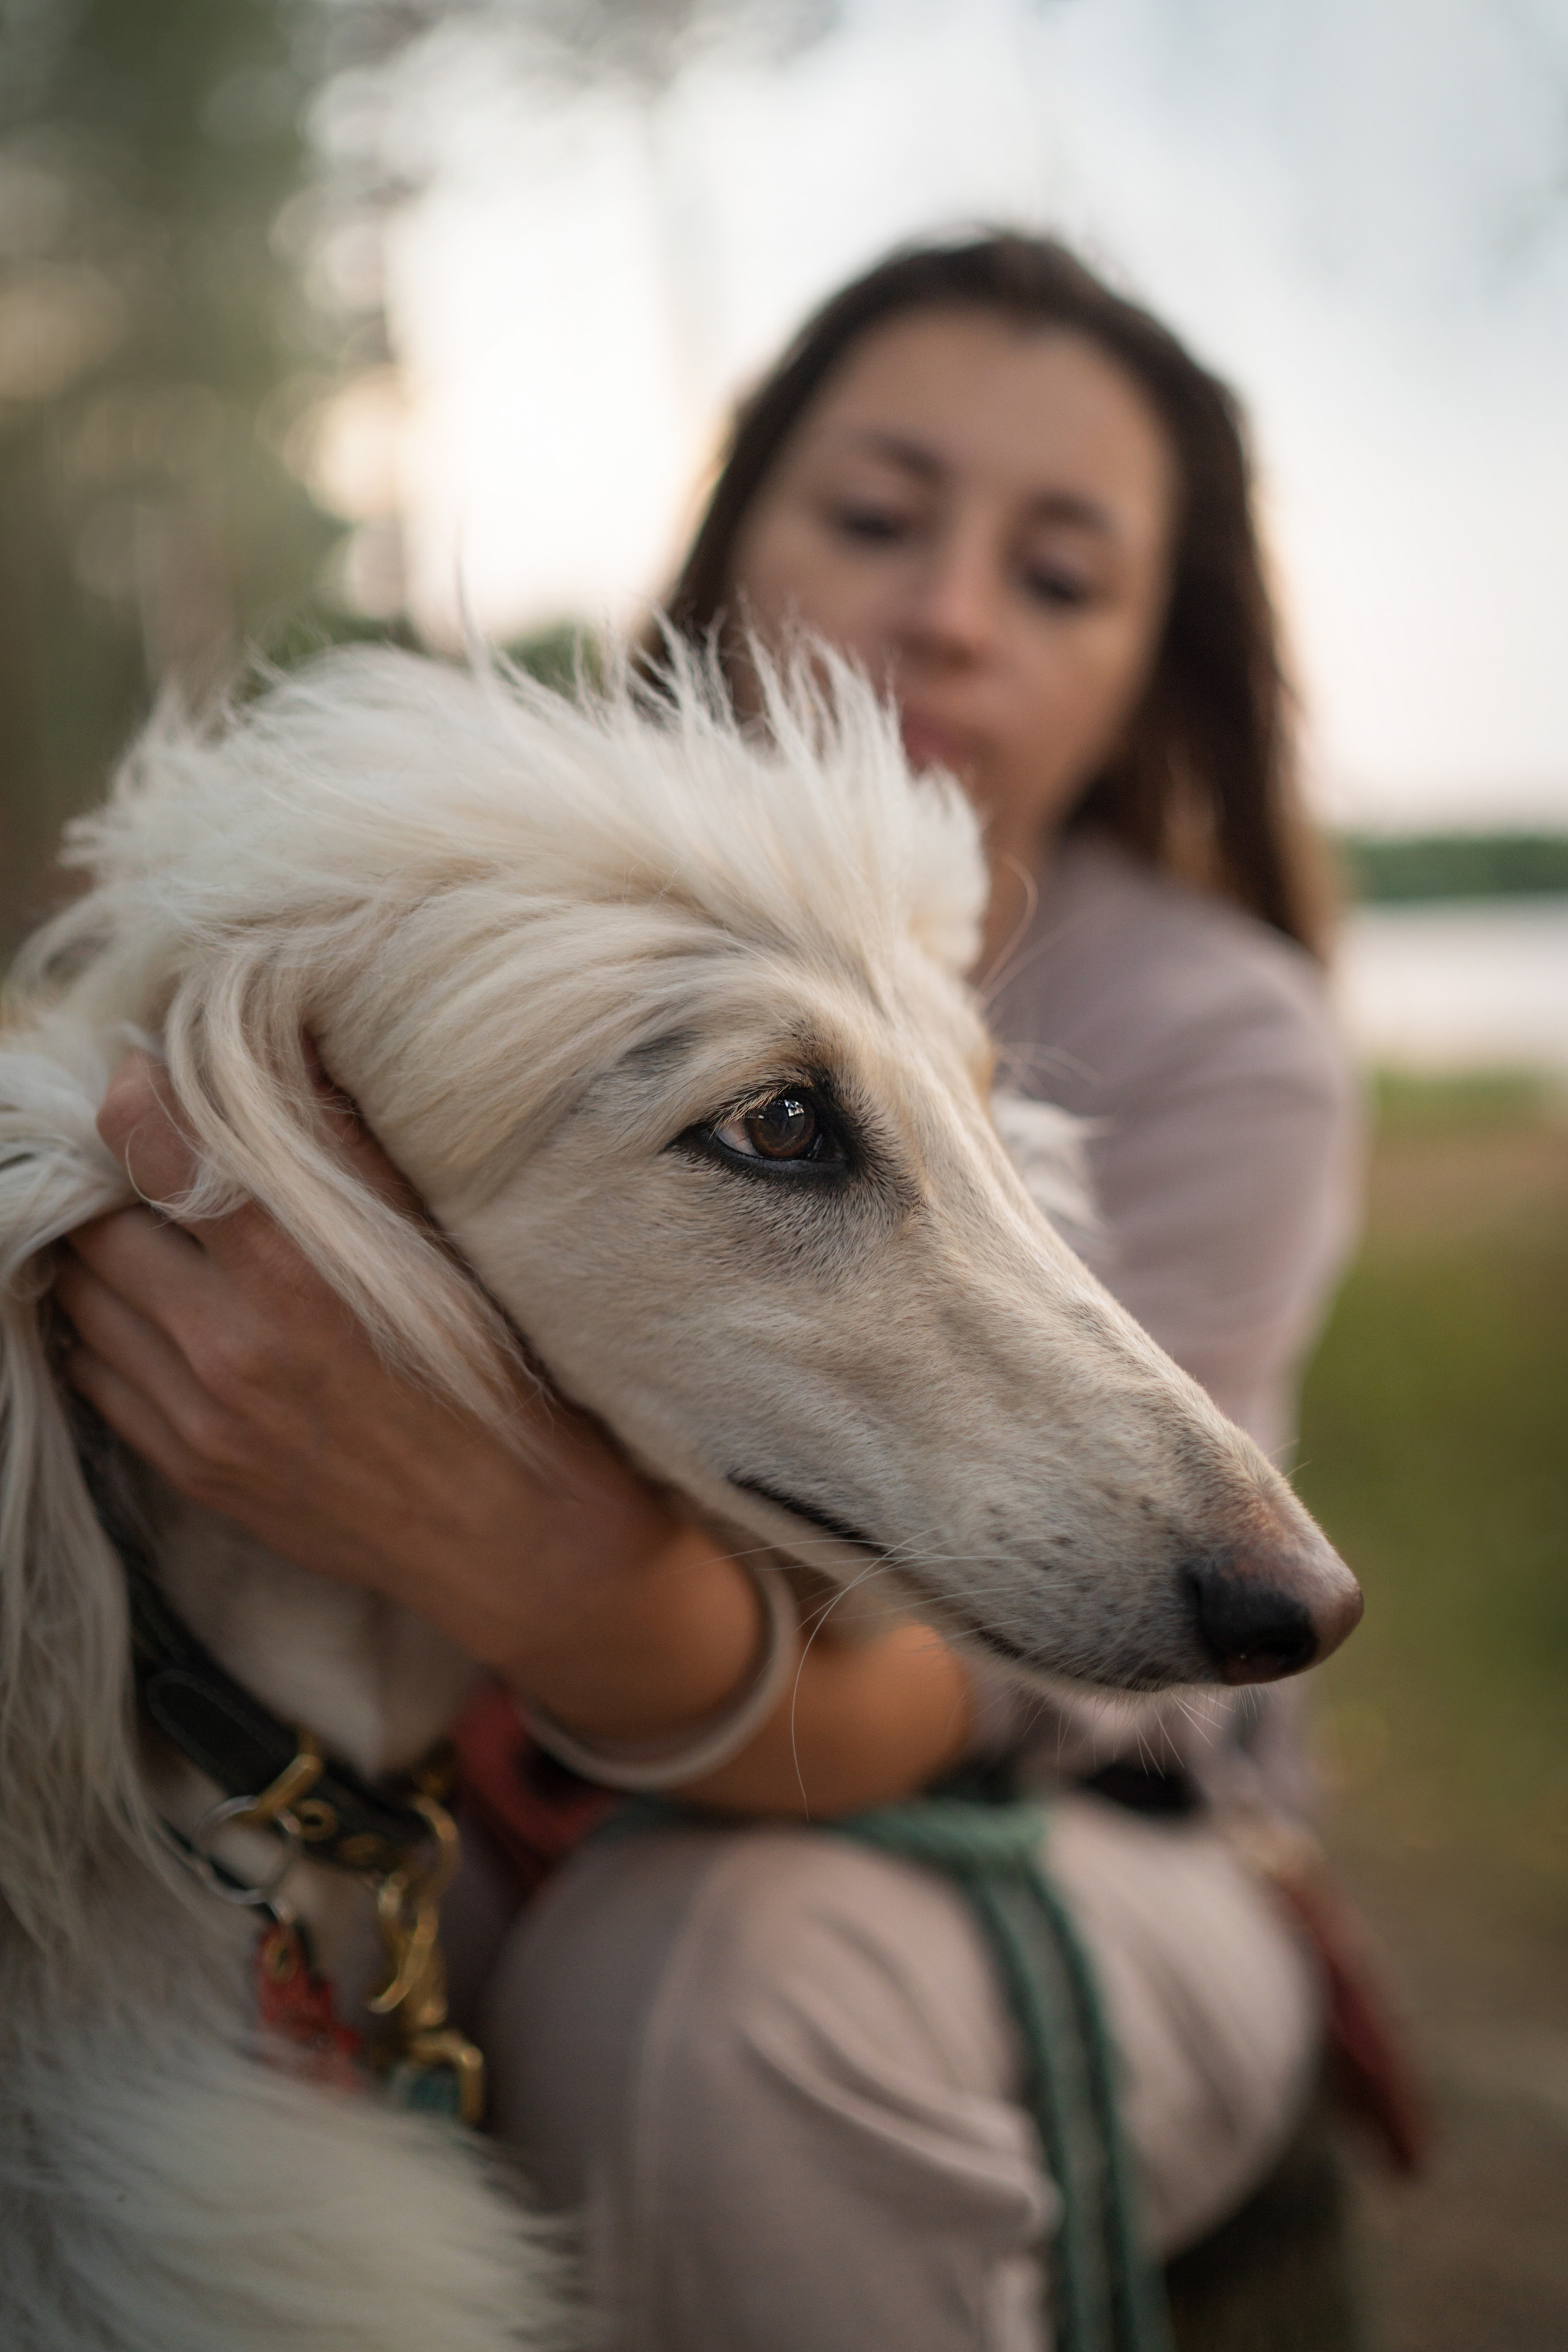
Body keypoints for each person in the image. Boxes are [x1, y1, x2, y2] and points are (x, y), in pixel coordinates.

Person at [58, 236, 1363, 2348]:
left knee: (714, 2006)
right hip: (486, 1769)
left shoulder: (1224, 1029)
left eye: (1059, 572)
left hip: (1088, 1827)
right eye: (874, 514)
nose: (944, 605)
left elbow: (1039, 1685)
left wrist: (516, 1550)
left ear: (1148, 660)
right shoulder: (472, 930)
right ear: (737, 529)